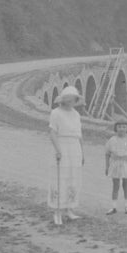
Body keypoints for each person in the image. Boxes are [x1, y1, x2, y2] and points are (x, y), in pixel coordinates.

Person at [48, 85, 85, 225]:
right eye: (69, 99)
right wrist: (58, 150)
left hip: (74, 147)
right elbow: (52, 132)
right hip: (62, 145)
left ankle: (69, 209)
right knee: (60, 178)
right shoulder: (56, 113)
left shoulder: (76, 114)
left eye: (74, 99)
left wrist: (82, 152)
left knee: (73, 177)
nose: (71, 102)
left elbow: (79, 135)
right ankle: (57, 212)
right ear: (63, 99)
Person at [104, 120, 127, 214]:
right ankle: (113, 207)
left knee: (126, 185)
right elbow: (107, 154)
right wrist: (107, 166)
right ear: (116, 128)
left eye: (124, 127)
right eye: (119, 127)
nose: (121, 129)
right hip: (115, 163)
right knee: (115, 185)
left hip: (126, 164)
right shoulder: (112, 140)